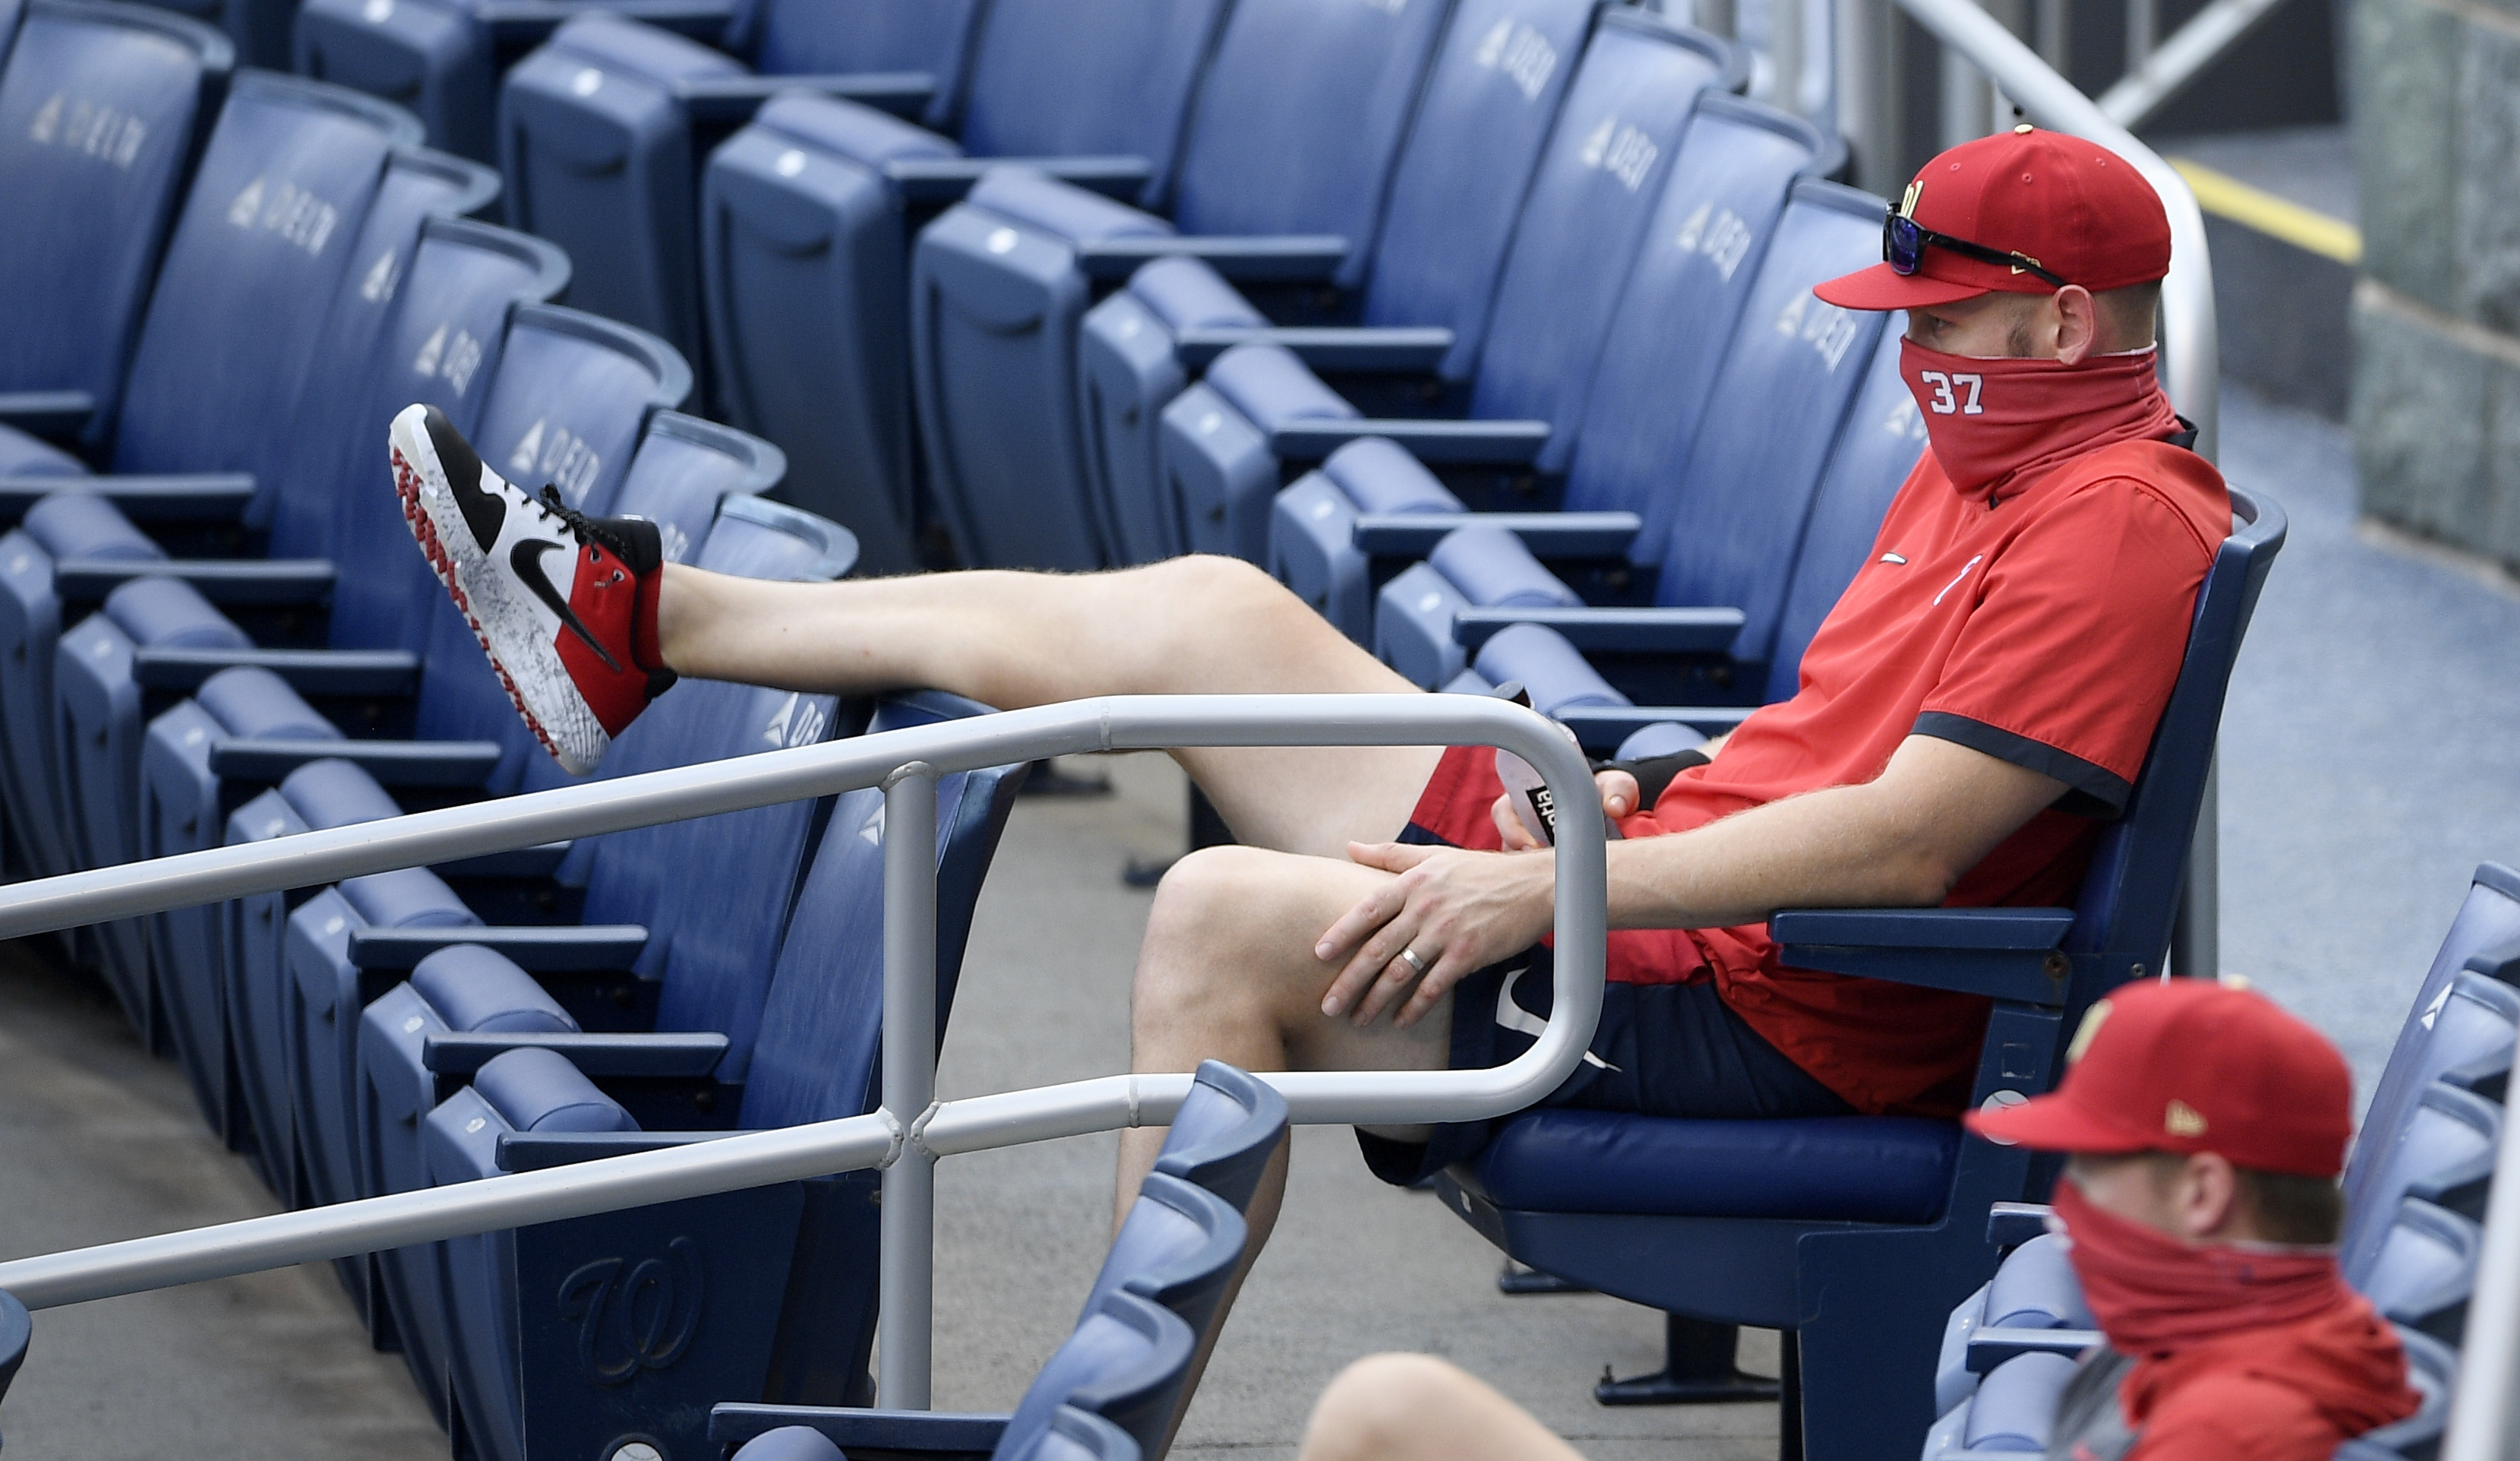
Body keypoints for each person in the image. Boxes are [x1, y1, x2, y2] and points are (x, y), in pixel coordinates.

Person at [390, 128, 2227, 1396]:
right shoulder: (1997, 448)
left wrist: (1545, 879)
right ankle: (645, 619)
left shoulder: (2112, 520)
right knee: (1207, 610)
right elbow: (1839, 741)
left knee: (1220, 918)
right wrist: (1640, 798)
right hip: (1648, 896)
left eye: (1948, 328)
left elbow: (1915, 849)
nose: (1914, 366)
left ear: (2066, 322)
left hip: (1760, 1014)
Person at [1274, 979, 2417, 1461]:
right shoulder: (2231, 1348)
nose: (2065, 1207)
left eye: (2094, 1167)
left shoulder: (2230, 1435)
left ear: (2203, 1193)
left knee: (1384, 1426)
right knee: (1390, 1421)